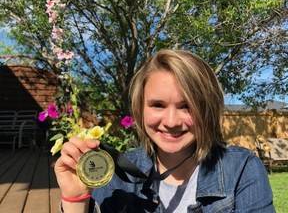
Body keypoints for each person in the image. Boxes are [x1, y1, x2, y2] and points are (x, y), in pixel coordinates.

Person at [55, 49, 275, 212]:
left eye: (187, 106)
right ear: (140, 109)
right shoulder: (115, 175)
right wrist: (76, 199)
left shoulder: (241, 170)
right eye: (158, 105)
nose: (171, 122)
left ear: (208, 109)